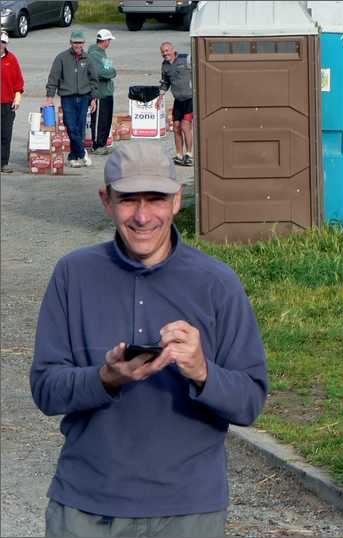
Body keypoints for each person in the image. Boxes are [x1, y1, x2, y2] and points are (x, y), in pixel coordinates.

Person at [30, 142, 268, 537]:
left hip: (189, 512)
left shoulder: (217, 283)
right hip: (87, 508)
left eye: (156, 199)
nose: (142, 216)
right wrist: (104, 379)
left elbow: (249, 402)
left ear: (177, 201)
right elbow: (45, 390)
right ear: (106, 200)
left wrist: (202, 372)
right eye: (128, 200)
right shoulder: (74, 275)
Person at [45, 30, 98, 168]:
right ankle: (82, 152)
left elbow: (93, 80)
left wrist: (93, 98)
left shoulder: (88, 59)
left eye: (80, 43)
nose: (77, 45)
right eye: (75, 42)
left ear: (83, 43)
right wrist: (50, 96)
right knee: (70, 125)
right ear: (70, 43)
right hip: (67, 97)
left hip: (84, 97)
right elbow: (53, 78)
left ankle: (73, 157)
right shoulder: (61, 58)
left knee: (80, 128)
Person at [156, 42, 193, 167]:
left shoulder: (186, 59)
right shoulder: (165, 65)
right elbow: (165, 82)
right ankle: (179, 155)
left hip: (190, 99)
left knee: (185, 126)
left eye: (167, 50)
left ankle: (189, 154)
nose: (165, 53)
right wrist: (160, 97)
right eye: (163, 51)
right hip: (178, 100)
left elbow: (200, 70)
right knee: (176, 127)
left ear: (173, 50)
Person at [87, 29, 117, 156]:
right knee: (99, 120)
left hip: (107, 92)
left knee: (106, 120)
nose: (109, 42)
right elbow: (103, 72)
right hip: (100, 93)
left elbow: (110, 69)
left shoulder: (102, 53)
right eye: (109, 40)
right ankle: (97, 145)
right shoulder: (94, 54)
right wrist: (111, 72)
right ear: (104, 41)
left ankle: (103, 143)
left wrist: (111, 71)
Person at [1, 30, 23, 174]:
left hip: (7, 103)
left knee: (6, 134)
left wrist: (17, 98)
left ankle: (3, 163)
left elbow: (18, 82)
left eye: (3, 42)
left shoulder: (12, 59)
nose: (1, 44)